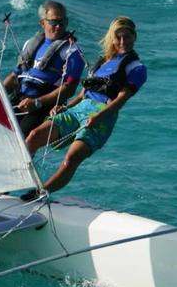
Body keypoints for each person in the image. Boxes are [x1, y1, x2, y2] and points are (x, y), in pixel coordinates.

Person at [24, 16, 147, 194]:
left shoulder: (136, 68)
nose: (122, 41)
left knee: (72, 158)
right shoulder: (103, 62)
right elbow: (83, 93)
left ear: (134, 37)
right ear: (111, 37)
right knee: (34, 136)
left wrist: (98, 117)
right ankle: (15, 182)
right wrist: (66, 106)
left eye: (126, 36)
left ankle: (39, 195)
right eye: (118, 37)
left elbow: (121, 100)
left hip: (103, 114)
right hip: (79, 109)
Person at [3, 0, 84, 136]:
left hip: (42, 105)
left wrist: (37, 102)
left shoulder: (72, 52)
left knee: (19, 139)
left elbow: (69, 89)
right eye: (53, 22)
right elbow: (14, 77)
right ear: (43, 23)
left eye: (62, 22)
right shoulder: (30, 44)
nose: (58, 26)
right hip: (19, 99)